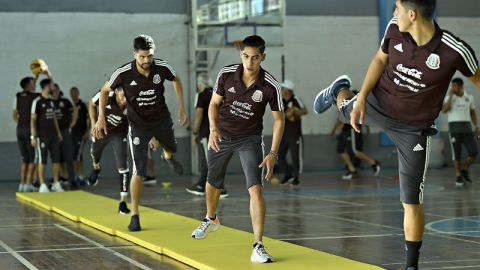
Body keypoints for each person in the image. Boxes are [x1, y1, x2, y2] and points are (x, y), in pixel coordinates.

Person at [313, 1, 479, 269]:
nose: (393, 14)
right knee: (348, 110)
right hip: (379, 103)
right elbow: (380, 58)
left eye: (397, 8)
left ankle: (411, 266)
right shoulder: (394, 29)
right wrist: (363, 97)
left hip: (413, 130)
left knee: (411, 200)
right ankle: (341, 90)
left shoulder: (454, 50)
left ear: (412, 14)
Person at [191, 35, 284, 264]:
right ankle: (211, 219)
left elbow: (279, 120)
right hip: (221, 135)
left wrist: (272, 153)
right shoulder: (226, 74)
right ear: (240, 54)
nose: (249, 62)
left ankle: (258, 245)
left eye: (255, 58)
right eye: (245, 56)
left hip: (249, 140)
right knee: (213, 180)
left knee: (255, 189)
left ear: (263, 57)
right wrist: (212, 129)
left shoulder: (271, 85)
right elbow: (213, 104)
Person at [92, 34, 188, 231]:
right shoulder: (123, 73)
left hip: (161, 120)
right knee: (139, 170)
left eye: (150, 56)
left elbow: (177, 80)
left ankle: (168, 156)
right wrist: (101, 117)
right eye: (142, 57)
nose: (146, 61)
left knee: (171, 148)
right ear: (134, 54)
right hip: (137, 126)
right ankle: (135, 215)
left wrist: (181, 107)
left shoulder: (162, 67)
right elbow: (103, 91)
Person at [88, 88, 131, 214]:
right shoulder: (105, 95)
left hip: (119, 134)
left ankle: (123, 202)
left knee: (123, 165)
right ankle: (96, 168)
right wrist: (93, 124)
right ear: (117, 91)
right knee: (94, 154)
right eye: (123, 96)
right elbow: (91, 104)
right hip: (102, 130)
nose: (125, 100)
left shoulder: (132, 102)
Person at [186, 72, 228, 198]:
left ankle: (218, 188)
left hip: (207, 133)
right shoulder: (219, 95)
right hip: (221, 132)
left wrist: (194, 132)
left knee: (208, 161)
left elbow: (199, 115)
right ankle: (202, 185)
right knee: (213, 160)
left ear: (200, 84)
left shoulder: (201, 95)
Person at [442, 77, 478, 186]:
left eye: (455, 86)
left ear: (461, 86)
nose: (453, 88)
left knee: (473, 151)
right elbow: (444, 110)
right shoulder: (449, 98)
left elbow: (472, 113)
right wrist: (451, 95)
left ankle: (465, 170)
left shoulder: (469, 97)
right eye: (452, 86)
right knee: (456, 154)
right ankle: (458, 176)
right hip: (454, 129)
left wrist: (477, 126)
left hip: (467, 129)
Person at [31, 78, 65, 192]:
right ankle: (42, 184)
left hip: (54, 136)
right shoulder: (37, 101)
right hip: (42, 136)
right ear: (46, 87)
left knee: (56, 159)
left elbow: (54, 118)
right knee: (42, 160)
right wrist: (33, 136)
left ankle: (56, 183)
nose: (53, 87)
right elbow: (33, 120)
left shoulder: (51, 101)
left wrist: (59, 133)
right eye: (51, 85)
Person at [277, 79, 307, 186]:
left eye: (283, 88)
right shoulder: (282, 101)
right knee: (279, 155)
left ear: (288, 90)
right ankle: (287, 175)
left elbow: (305, 111)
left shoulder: (296, 99)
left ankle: (296, 178)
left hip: (295, 135)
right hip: (284, 135)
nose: (281, 89)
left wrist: (295, 111)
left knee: (295, 157)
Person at [13, 75, 41, 192]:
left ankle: (22, 184)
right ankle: (29, 183)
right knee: (32, 158)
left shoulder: (18, 96)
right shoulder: (34, 96)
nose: (34, 84)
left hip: (19, 129)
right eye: (32, 83)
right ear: (28, 85)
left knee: (24, 158)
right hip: (29, 130)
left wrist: (36, 75)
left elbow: (14, 114)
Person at [52, 84, 78, 189]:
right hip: (52, 133)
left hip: (64, 131)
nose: (55, 92)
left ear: (59, 90)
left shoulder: (65, 102)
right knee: (56, 158)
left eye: (56, 90)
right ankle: (57, 181)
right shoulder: (49, 102)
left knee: (68, 157)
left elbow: (75, 111)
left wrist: (72, 123)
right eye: (53, 91)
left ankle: (72, 180)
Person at [70, 86, 89, 185]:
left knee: (76, 156)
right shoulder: (70, 106)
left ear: (78, 93)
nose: (73, 94)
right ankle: (80, 176)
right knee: (78, 155)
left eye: (74, 92)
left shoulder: (82, 105)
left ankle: (77, 176)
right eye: (71, 93)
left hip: (81, 134)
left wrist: (87, 132)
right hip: (72, 134)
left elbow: (89, 118)